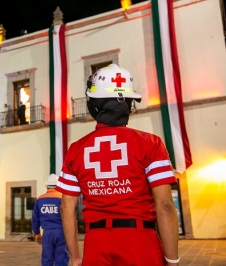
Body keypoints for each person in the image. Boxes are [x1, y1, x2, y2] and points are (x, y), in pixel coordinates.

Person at [56, 64, 180, 266]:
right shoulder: (150, 143)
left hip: (96, 244)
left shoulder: (76, 149)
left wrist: (76, 258)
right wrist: (172, 260)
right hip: (141, 243)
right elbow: (165, 205)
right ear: (129, 104)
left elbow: (66, 208)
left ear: (94, 105)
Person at [32, 174, 69, 266]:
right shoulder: (62, 198)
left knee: (47, 259)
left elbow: (35, 219)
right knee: (61, 258)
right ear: (58, 185)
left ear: (47, 186)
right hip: (61, 232)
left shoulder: (39, 200)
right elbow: (69, 217)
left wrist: (37, 234)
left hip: (47, 233)